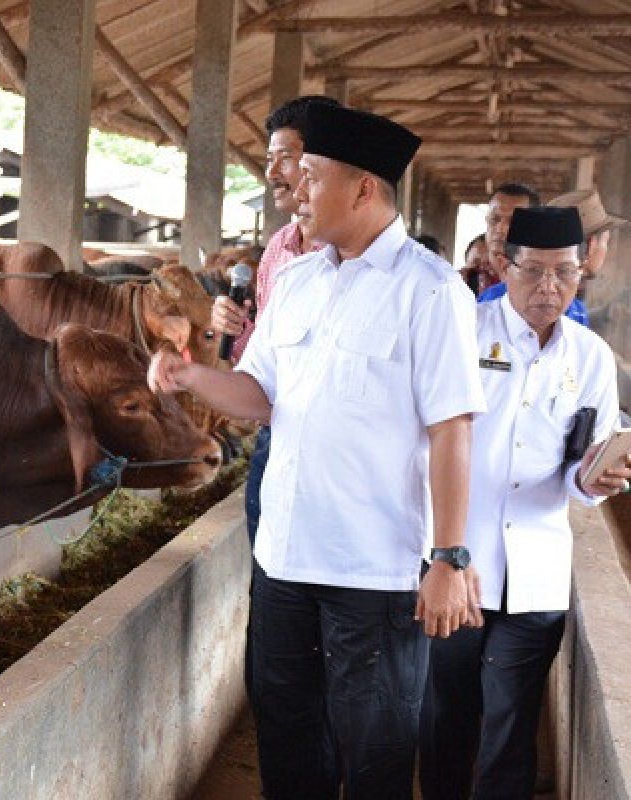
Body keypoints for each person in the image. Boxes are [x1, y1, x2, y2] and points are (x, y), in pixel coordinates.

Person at [149, 104, 486, 800]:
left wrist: (449, 558)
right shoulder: (297, 280)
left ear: (364, 188)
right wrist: (192, 377)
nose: (296, 191)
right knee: (287, 737)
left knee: (376, 752)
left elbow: (452, 430)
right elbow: (261, 394)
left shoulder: (430, 291)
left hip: (375, 572)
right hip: (284, 561)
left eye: (310, 175)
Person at [419, 206, 627, 800]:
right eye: (533, 271)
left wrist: (595, 479)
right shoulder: (464, 333)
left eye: (564, 273)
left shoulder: (589, 357)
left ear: (582, 273)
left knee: (512, 724)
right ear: (504, 268)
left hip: (535, 569)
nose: (549, 288)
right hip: (458, 561)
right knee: (446, 716)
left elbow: (580, 466)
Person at [234, 94, 340, 544]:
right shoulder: (277, 248)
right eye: (269, 159)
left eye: (286, 159)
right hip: (273, 438)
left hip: (334, 451)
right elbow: (261, 352)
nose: (272, 173)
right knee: (268, 575)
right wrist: (235, 329)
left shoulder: (353, 255)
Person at [477, 184, 589, 325]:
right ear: (503, 265)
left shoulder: (573, 319)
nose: (501, 229)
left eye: (514, 222)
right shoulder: (470, 290)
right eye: (495, 219)